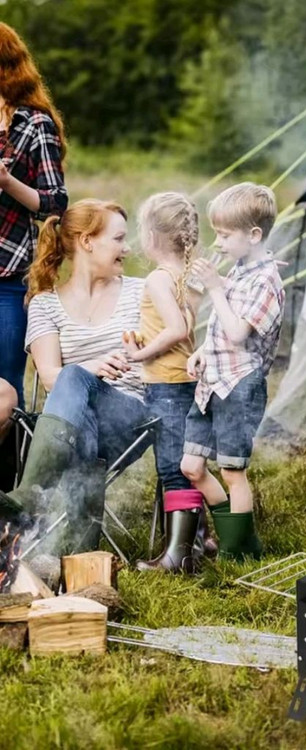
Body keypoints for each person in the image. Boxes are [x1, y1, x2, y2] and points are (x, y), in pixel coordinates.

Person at [0, 199, 149, 553]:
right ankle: (70, 553)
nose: (126, 248)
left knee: (73, 378)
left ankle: (26, 504)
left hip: (127, 417)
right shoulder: (45, 304)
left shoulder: (141, 292)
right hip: (69, 428)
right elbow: (50, 376)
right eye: (118, 239)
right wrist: (90, 367)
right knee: (70, 381)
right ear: (86, 242)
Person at [181, 182, 284, 559]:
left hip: (240, 386)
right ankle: (241, 541)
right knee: (192, 466)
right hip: (214, 382)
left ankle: (236, 551)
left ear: (254, 235)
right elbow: (225, 322)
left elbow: (239, 331)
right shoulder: (243, 269)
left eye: (225, 235)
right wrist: (204, 349)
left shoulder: (267, 281)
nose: (218, 243)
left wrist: (213, 289)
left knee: (232, 472)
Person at [123, 192, 213, 573]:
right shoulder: (187, 277)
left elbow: (176, 330)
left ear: (152, 236)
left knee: (173, 469)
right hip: (184, 382)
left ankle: (178, 558)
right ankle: (198, 539)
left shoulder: (159, 279)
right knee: (182, 460)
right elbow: (187, 326)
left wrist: (142, 355)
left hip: (166, 385)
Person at [0, 22, 68, 411]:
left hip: (8, 278)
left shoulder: (33, 124)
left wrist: (7, 181)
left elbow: (55, 202)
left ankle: (11, 472)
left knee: (6, 388)